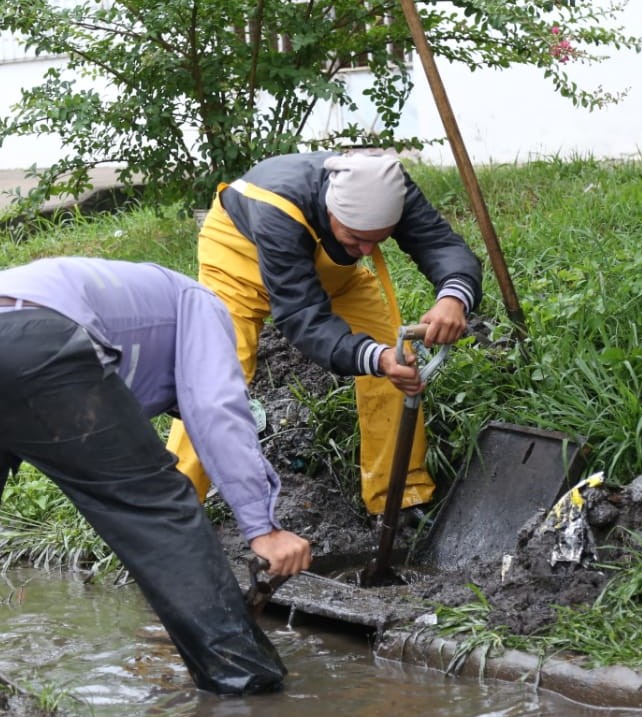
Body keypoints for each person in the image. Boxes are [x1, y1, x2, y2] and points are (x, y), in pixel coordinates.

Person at [0, 257, 312, 695]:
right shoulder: (203, 305)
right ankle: (243, 680)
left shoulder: (131, 300)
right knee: (151, 504)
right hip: (32, 336)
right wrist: (263, 527)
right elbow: (215, 410)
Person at [165, 150, 483, 518]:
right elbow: (301, 314)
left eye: (375, 240)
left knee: (396, 367)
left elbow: (440, 244)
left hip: (332, 271)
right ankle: (174, 515)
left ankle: (399, 496)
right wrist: (371, 356)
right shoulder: (276, 208)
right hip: (237, 261)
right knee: (216, 382)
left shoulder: (390, 189)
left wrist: (453, 297)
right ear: (332, 210)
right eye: (356, 238)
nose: (366, 250)